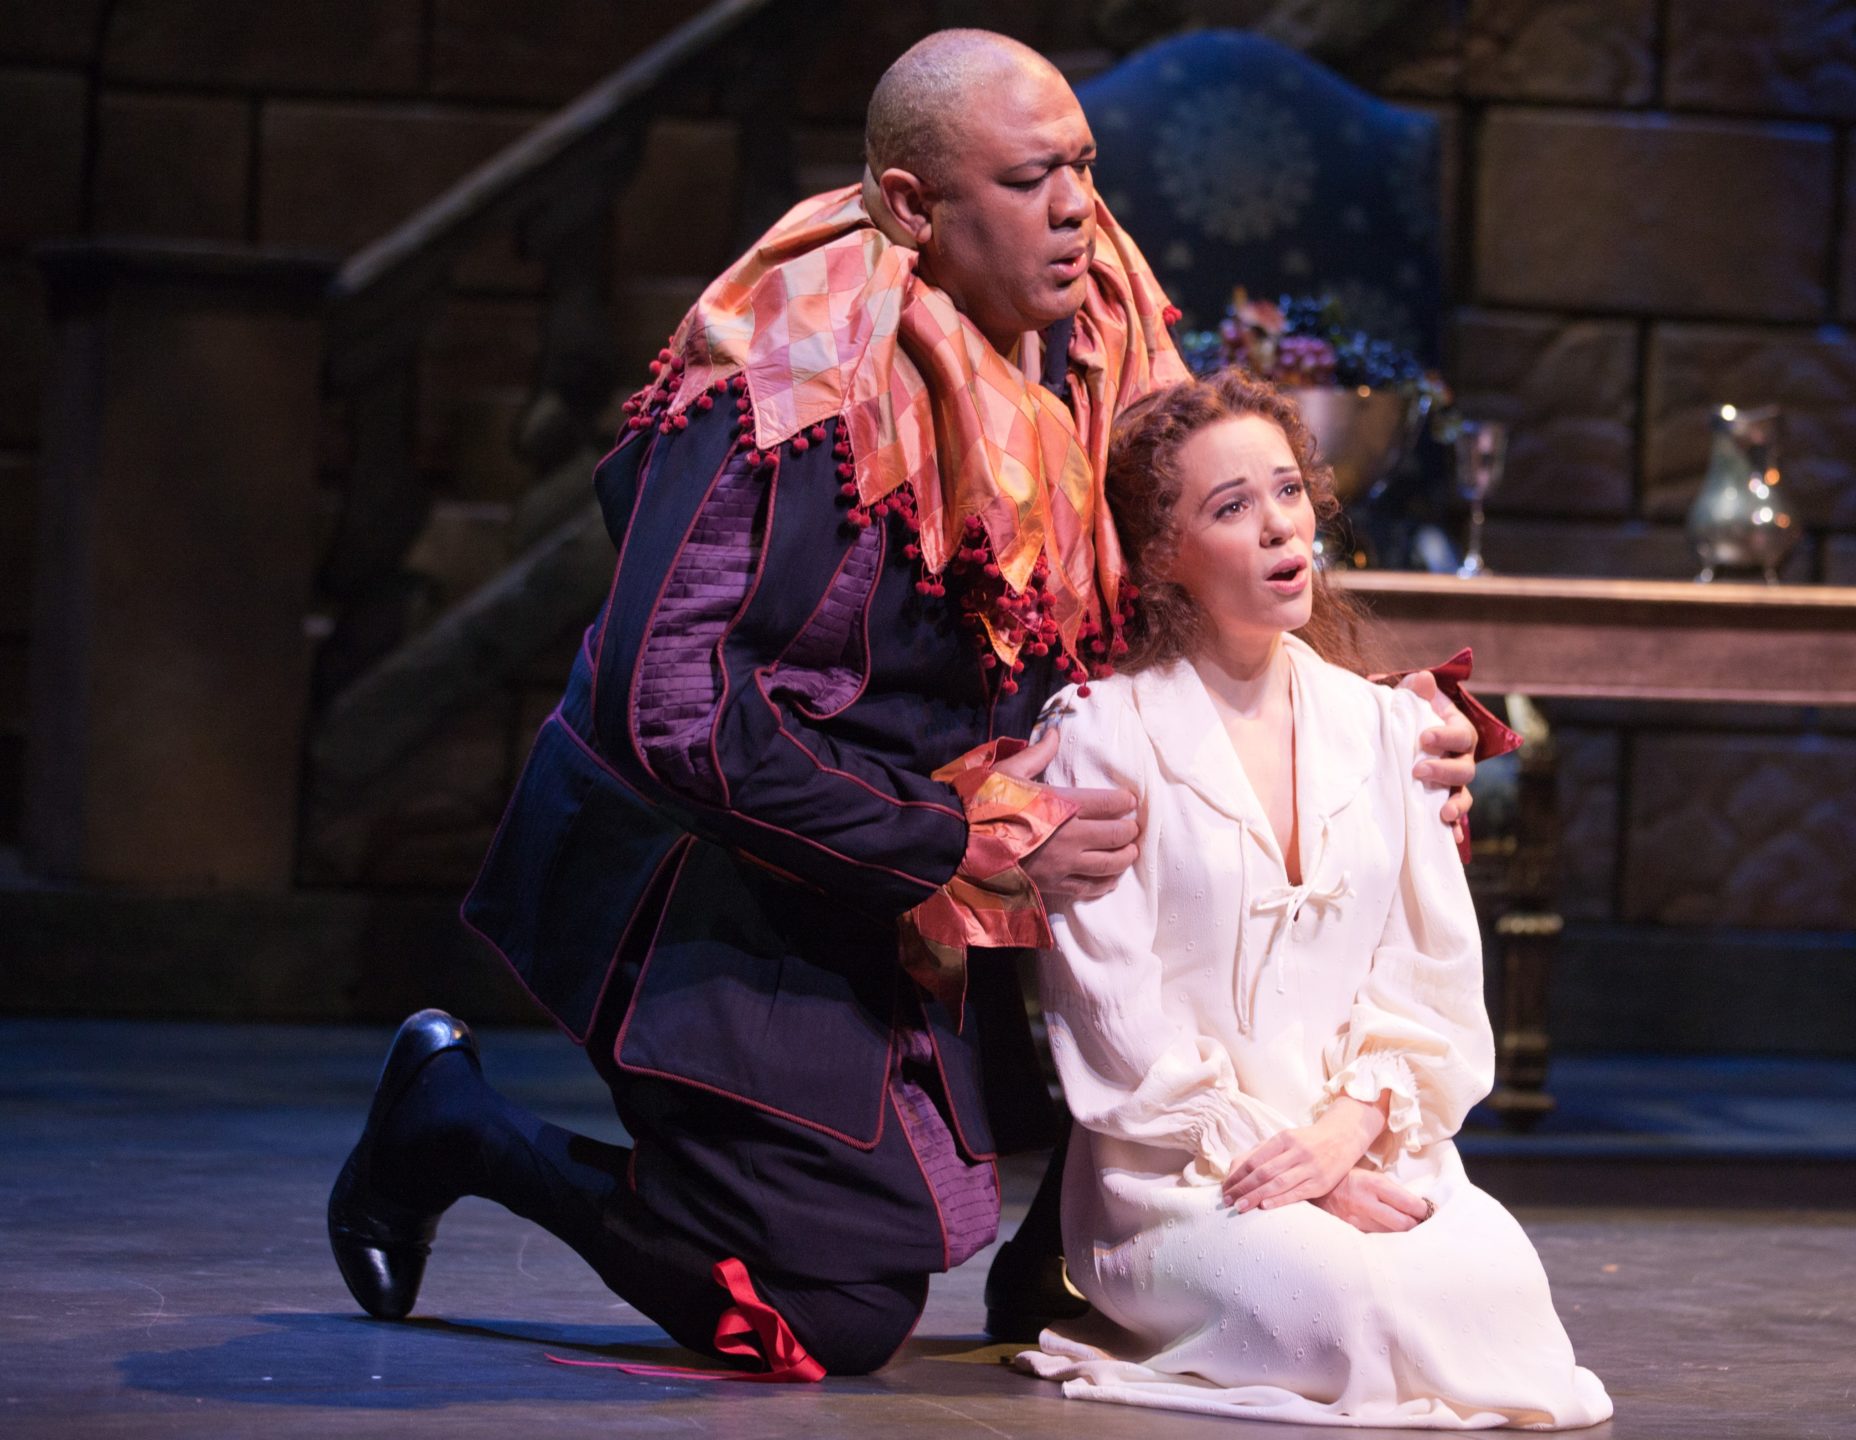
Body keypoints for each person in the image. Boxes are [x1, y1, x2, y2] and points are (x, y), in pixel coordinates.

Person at [323, 30, 1489, 1378]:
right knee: (833, 1313)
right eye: (1026, 179)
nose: (1074, 210)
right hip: (724, 866)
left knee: (1224, 839)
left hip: (948, 841)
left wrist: (1372, 723)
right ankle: (455, 1124)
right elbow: (674, 715)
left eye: (1082, 168)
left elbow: (1199, 583)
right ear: (914, 205)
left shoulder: (1098, 335)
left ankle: (1069, 1254)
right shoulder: (794, 387)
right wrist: (960, 845)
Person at [1014, 372, 1609, 1428]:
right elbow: (1114, 1023)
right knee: (1354, 1310)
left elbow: (1426, 974)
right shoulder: (1105, 736)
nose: (1279, 525)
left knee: (1503, 1292)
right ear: (1162, 554)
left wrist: (1352, 1129)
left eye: (1286, 492)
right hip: (1184, 1175)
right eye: (1230, 508)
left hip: (1368, 1144)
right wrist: (1288, 1166)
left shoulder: (1384, 729)